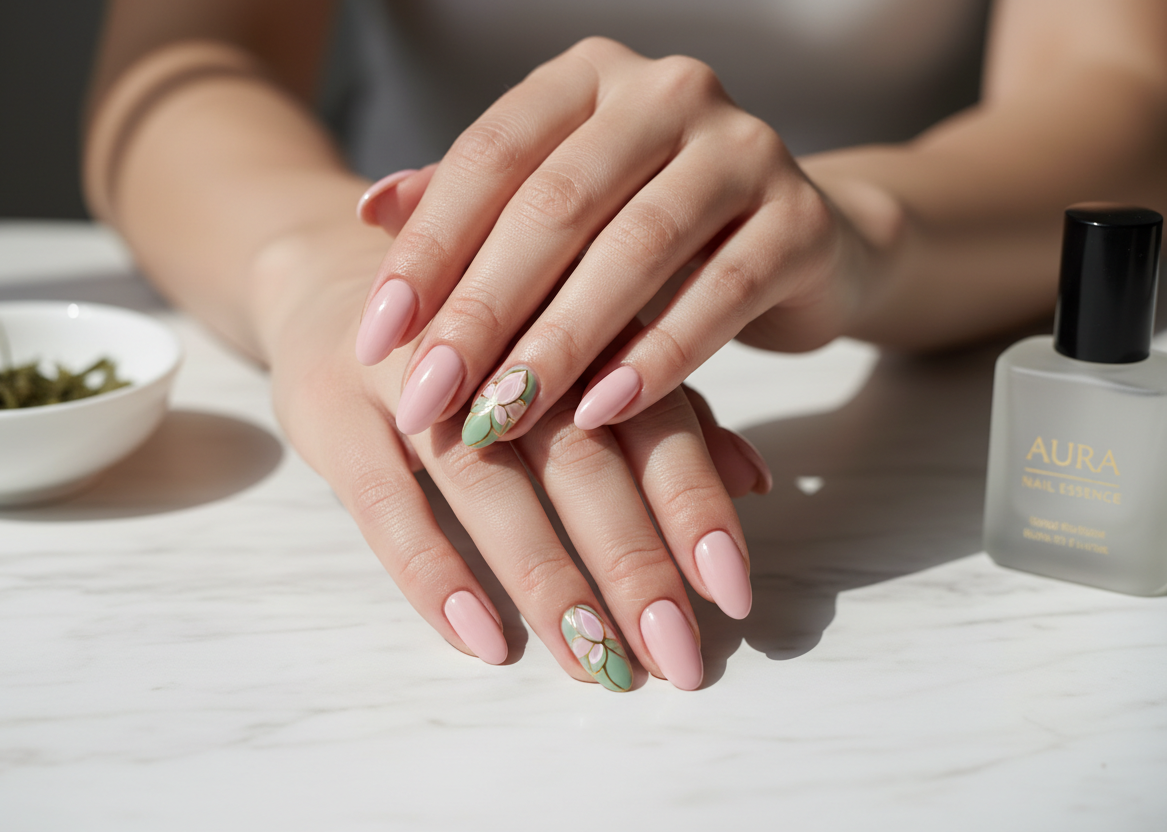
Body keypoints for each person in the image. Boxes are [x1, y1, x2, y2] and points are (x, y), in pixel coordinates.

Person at [83, 0, 1167, 692]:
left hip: (853, 251)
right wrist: (329, 272)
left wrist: (852, 230)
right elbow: (183, 67)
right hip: (393, 278)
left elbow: (1121, 92)